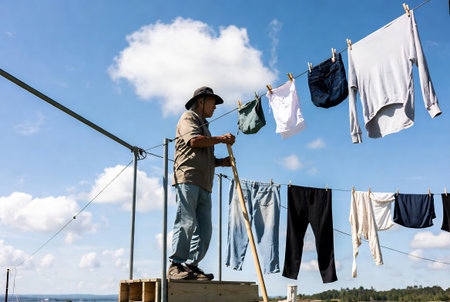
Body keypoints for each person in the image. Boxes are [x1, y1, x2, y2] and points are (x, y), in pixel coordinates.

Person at [168, 86, 235, 280]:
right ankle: (176, 265)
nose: (215, 107)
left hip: (205, 184)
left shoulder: (205, 126)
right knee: (186, 222)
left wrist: (220, 163)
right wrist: (222, 139)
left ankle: (191, 265)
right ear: (202, 101)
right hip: (188, 179)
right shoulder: (188, 117)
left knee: (205, 230)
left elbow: (202, 155)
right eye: (213, 102)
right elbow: (194, 142)